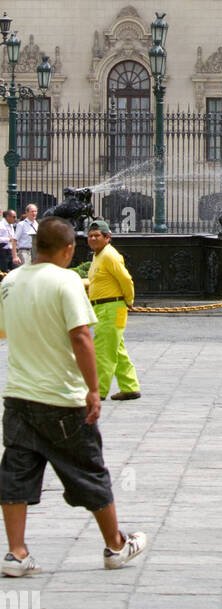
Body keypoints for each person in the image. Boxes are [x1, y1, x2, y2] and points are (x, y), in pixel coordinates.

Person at [0, 217, 146, 576]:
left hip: (19, 398)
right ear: (68, 250)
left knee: (16, 473)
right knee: (89, 470)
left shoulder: (11, 282)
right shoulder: (67, 280)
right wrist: (94, 390)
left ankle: (17, 553)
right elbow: (81, 337)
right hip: (63, 398)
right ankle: (115, 545)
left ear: (35, 247)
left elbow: (4, 331)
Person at [84, 221, 141, 402]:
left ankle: (99, 390)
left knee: (104, 350)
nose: (93, 238)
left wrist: (129, 300)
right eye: (90, 235)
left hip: (111, 308)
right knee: (116, 349)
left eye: (97, 235)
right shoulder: (98, 256)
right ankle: (130, 386)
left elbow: (126, 279)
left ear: (107, 238)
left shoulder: (109, 255)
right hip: (103, 308)